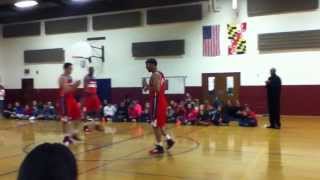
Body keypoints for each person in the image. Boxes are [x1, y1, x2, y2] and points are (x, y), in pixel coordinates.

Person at [143, 58, 175, 154]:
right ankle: (169, 140)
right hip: (160, 101)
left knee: (155, 125)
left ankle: (159, 147)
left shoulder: (155, 75)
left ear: (153, 65)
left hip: (157, 102)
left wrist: (147, 86)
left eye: (147, 65)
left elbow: (156, 88)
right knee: (159, 124)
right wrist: (148, 87)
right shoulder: (161, 74)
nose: (146, 67)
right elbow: (163, 88)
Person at [59, 63, 82, 145]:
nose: (71, 70)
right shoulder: (62, 78)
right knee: (65, 119)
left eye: (72, 68)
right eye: (70, 68)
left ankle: (74, 134)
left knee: (78, 116)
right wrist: (75, 85)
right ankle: (66, 138)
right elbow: (65, 90)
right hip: (64, 99)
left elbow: (72, 90)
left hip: (72, 98)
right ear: (65, 69)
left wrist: (76, 86)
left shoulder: (70, 77)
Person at [82, 67, 104, 133]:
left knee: (98, 110)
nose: (92, 71)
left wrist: (95, 93)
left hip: (95, 96)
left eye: (93, 70)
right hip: (89, 96)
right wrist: (88, 94)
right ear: (89, 70)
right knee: (87, 112)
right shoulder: (86, 77)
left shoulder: (94, 77)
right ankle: (85, 127)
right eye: (91, 70)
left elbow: (94, 87)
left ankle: (96, 125)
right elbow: (85, 88)